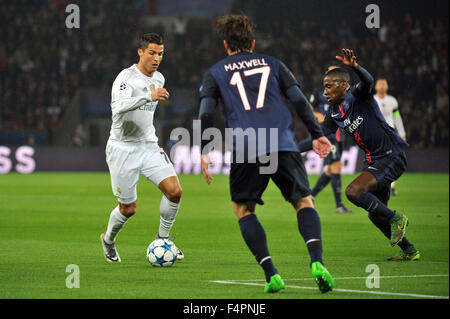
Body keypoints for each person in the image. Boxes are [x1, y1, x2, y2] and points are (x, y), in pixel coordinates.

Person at [198, 14, 335, 293]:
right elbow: (298, 100)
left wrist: (205, 148)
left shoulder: (215, 72)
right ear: (253, 42)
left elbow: (206, 112)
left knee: (243, 209)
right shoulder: (274, 64)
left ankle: (271, 274)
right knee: (303, 202)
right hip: (282, 142)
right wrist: (317, 134)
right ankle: (317, 262)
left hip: (246, 146)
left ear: (226, 45)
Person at [300, 49, 419, 261]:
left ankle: (397, 218)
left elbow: (368, 81)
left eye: (329, 86)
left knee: (353, 191)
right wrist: (291, 148)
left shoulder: (358, 95)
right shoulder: (334, 113)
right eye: (323, 87)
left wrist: (355, 67)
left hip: (391, 154)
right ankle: (409, 250)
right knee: (375, 215)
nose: (325, 92)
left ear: (343, 85)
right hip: (374, 160)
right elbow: (319, 136)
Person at [100, 33, 184, 263]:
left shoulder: (160, 78)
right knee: (128, 209)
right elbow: (119, 108)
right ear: (140, 52)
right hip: (122, 148)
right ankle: (108, 240)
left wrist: (151, 138)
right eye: (152, 53)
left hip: (148, 145)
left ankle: (163, 239)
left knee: (175, 191)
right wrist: (149, 95)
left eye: (160, 54)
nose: (156, 58)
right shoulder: (125, 78)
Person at [305, 64, 352, 213]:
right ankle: (339, 205)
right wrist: (317, 115)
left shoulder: (344, 93)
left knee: (331, 170)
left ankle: (311, 196)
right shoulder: (319, 92)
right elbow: (308, 108)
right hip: (327, 134)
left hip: (339, 134)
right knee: (336, 166)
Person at [374, 78, 407, 196]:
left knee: (393, 159)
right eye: (380, 84)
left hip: (391, 134)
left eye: (384, 84)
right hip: (377, 135)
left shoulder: (392, 101)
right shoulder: (372, 100)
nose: (382, 86)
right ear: (375, 87)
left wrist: (402, 134)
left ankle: (391, 185)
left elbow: (397, 118)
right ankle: (377, 183)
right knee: (378, 160)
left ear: (387, 87)